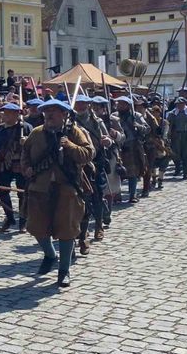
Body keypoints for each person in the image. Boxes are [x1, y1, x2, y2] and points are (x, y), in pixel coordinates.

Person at [22, 99, 96, 287]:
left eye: (54, 111)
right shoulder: (36, 134)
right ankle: (49, 254)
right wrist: (27, 168)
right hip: (40, 187)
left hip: (68, 188)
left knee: (67, 230)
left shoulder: (75, 132)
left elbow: (88, 153)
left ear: (64, 114)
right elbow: (25, 156)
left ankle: (64, 271)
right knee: (36, 226)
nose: (49, 115)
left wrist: (70, 146)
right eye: (46, 112)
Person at [73, 94, 110, 251]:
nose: (80, 106)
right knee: (80, 198)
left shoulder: (97, 121)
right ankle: (82, 230)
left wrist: (107, 140)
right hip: (76, 163)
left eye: (83, 104)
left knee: (97, 196)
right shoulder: (70, 121)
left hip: (95, 162)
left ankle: (99, 226)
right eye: (78, 104)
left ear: (88, 105)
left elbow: (107, 137)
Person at [0, 102, 31, 233]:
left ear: (16, 114)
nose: (5, 115)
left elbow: (34, 145)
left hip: (21, 164)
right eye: (5, 112)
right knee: (3, 192)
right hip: (5, 165)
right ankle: (9, 218)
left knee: (23, 193)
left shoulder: (26, 128)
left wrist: (26, 143)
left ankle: (23, 222)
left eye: (9, 113)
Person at [111, 97, 149, 203]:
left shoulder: (136, 116)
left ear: (128, 106)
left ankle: (133, 195)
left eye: (123, 104)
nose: (120, 106)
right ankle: (117, 195)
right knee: (117, 172)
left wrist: (138, 126)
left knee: (132, 173)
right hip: (118, 146)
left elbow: (147, 129)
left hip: (132, 146)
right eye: (119, 104)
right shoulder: (114, 116)